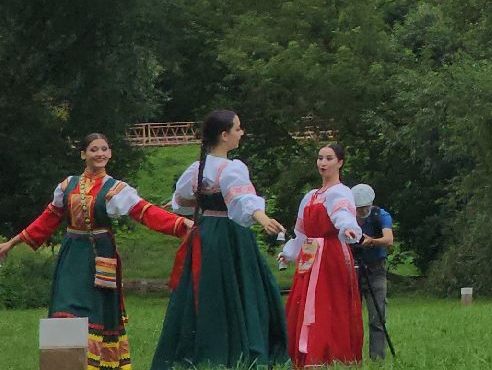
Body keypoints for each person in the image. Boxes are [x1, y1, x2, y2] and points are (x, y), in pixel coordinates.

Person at [0, 134, 193, 369]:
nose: (100, 154)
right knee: (66, 310)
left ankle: (98, 365)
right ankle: (63, 364)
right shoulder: (67, 186)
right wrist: (11, 243)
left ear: (110, 153)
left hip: (101, 256)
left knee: (97, 312)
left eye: (104, 149)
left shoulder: (116, 189)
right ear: (84, 154)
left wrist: (180, 224)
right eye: (94, 149)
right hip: (73, 256)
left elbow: (145, 212)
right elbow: (47, 220)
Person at [151, 109, 290, 370]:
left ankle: (199, 350)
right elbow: (242, 200)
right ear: (224, 135)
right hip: (230, 234)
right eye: (238, 129)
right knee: (243, 288)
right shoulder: (232, 168)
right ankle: (239, 347)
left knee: (204, 290)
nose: (242, 133)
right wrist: (262, 218)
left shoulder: (196, 170)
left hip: (204, 234)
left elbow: (180, 202)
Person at [280, 143, 364, 367]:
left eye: (328, 158)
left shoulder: (340, 191)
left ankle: (329, 351)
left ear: (340, 162)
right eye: (320, 158)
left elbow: (342, 212)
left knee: (327, 300)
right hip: (310, 253)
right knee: (305, 299)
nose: (323, 163)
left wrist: (347, 227)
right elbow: (300, 230)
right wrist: (289, 252)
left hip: (330, 253)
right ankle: (305, 352)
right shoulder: (310, 196)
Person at [349, 184, 395, 360]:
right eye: (359, 208)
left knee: (377, 317)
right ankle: (351, 357)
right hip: (352, 270)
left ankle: (377, 358)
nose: (362, 211)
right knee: (350, 317)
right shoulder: (347, 218)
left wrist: (372, 241)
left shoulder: (380, 216)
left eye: (365, 207)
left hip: (376, 269)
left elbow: (389, 239)